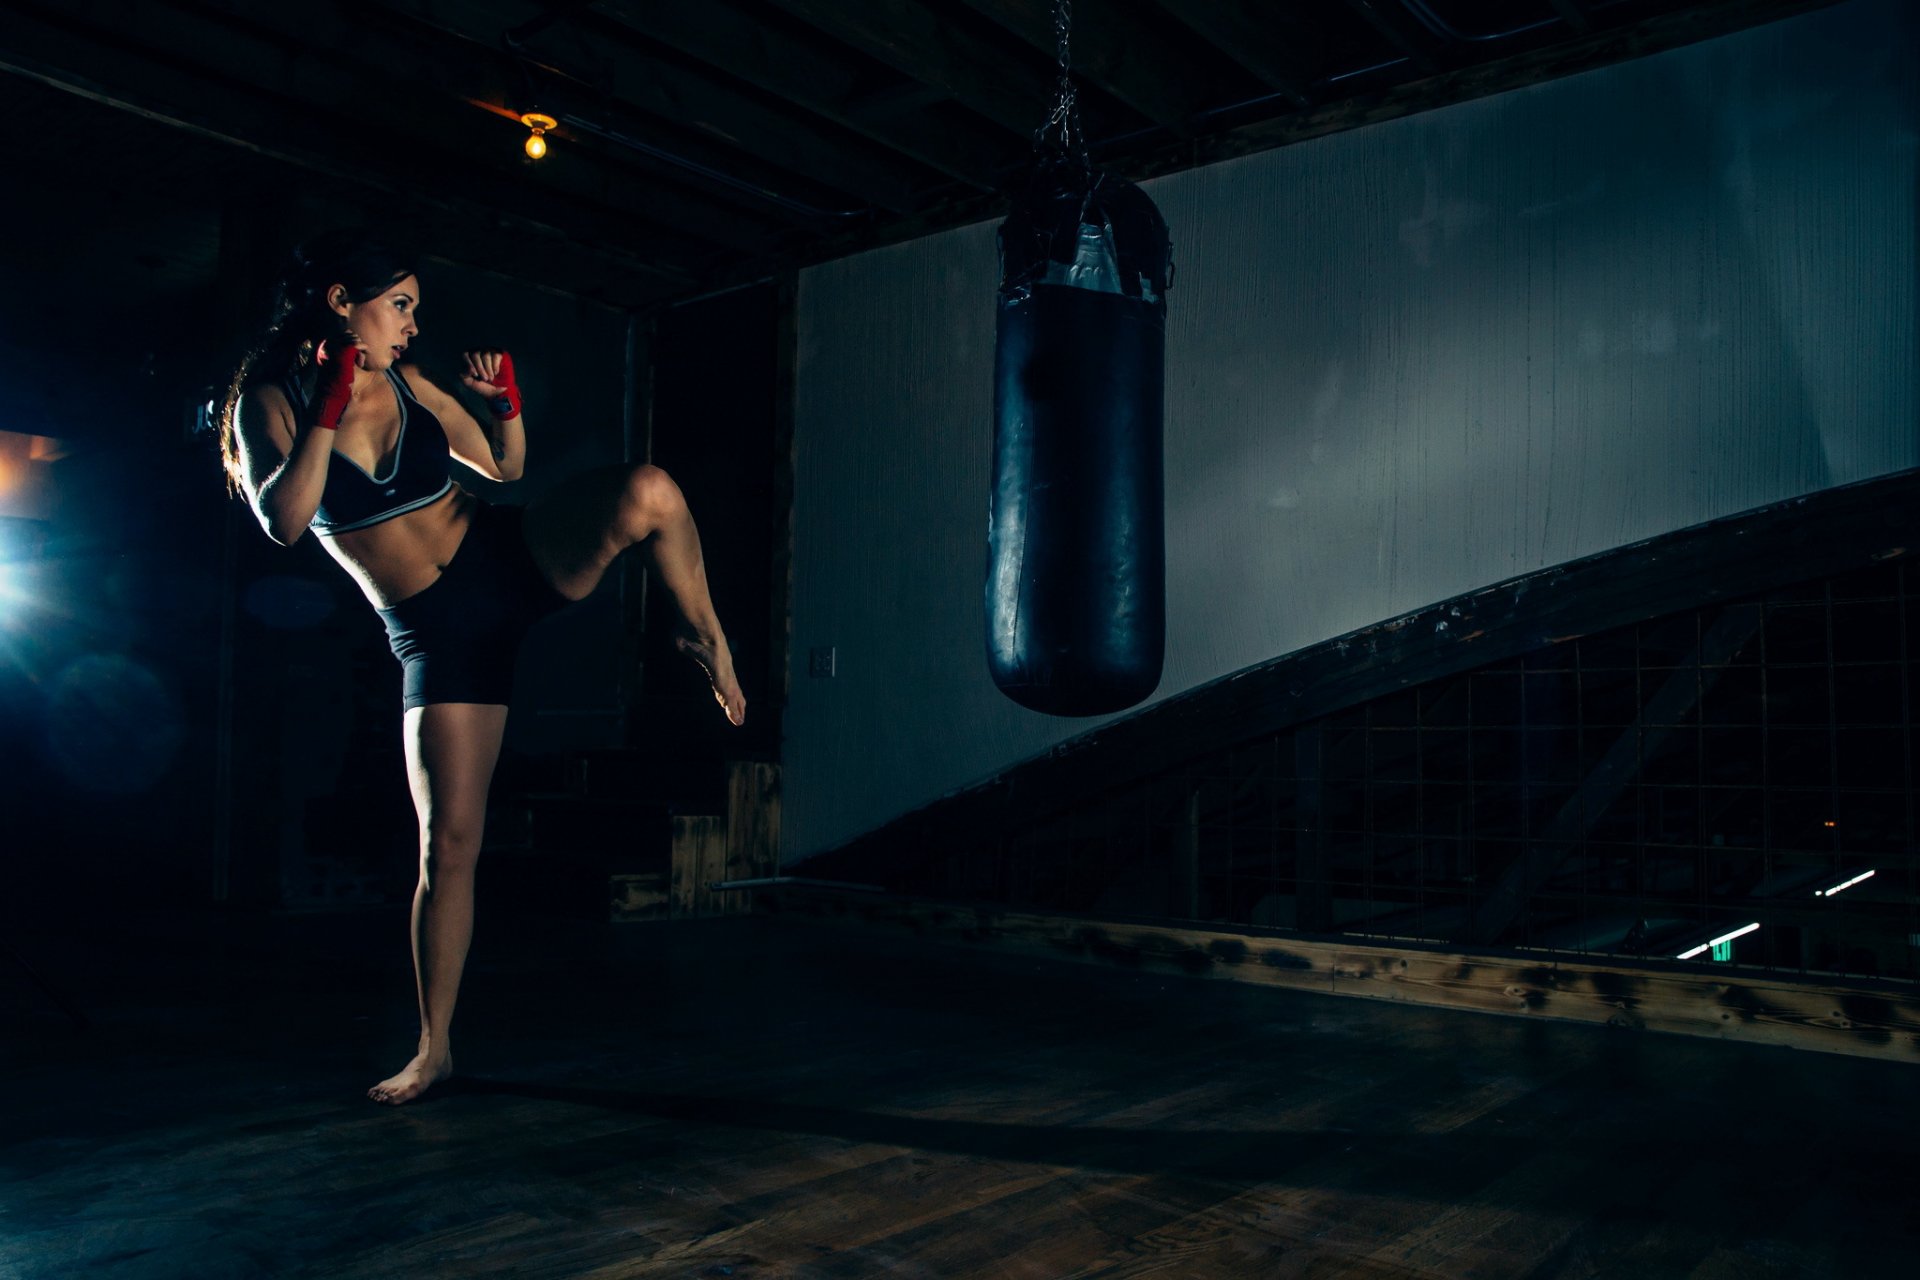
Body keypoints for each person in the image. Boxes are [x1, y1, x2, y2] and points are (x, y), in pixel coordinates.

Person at [219, 234, 745, 1105]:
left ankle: (704, 635)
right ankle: (435, 1048)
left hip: (506, 560)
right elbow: (285, 521)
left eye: (416, 308)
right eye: (401, 306)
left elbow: (507, 467)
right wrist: (325, 406)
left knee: (651, 489)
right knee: (451, 846)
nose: (413, 325)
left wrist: (506, 407)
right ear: (344, 301)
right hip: (438, 638)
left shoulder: (412, 385)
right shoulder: (270, 404)